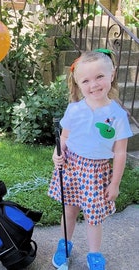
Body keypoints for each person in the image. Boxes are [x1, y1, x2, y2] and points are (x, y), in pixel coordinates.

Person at [48, 49, 133, 270]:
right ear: (78, 84)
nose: (93, 85)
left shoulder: (118, 115)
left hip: (97, 172)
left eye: (99, 77)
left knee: (94, 217)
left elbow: (121, 152)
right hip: (72, 166)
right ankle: (64, 244)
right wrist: (58, 153)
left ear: (112, 75)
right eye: (86, 80)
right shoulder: (75, 109)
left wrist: (115, 183)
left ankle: (94, 254)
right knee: (70, 210)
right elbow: (64, 137)